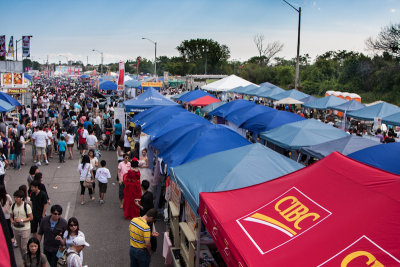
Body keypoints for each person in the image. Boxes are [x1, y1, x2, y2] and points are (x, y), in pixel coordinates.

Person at [10, 189, 33, 258]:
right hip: (16, 229)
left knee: (24, 247)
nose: (15, 199)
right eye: (14, 197)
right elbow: (11, 216)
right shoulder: (13, 206)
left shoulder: (26, 206)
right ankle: (24, 259)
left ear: (21, 198)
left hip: (25, 229)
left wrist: (22, 220)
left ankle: (28, 259)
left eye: (17, 197)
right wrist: (12, 221)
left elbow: (31, 217)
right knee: (20, 246)